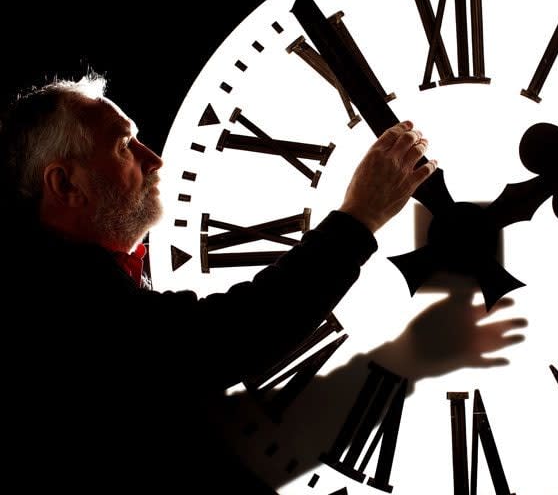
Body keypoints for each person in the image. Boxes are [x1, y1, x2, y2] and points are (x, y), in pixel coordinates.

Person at [1, 73, 437, 494]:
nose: (153, 159)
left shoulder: (82, 284)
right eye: (123, 146)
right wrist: (359, 218)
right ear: (65, 184)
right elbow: (224, 336)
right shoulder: (68, 302)